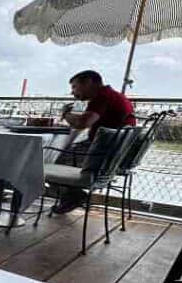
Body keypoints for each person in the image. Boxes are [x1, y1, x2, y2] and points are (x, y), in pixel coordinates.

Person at [51, 69, 136, 214]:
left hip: (103, 154)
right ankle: (73, 196)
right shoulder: (113, 96)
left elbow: (82, 123)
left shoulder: (102, 96)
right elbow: (88, 119)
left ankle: (74, 196)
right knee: (67, 151)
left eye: (75, 87)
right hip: (117, 153)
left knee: (51, 160)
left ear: (89, 82)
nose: (73, 92)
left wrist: (65, 114)